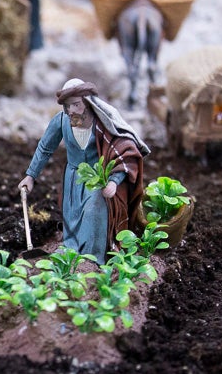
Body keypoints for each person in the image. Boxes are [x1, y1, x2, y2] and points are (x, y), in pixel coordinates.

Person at [18, 79, 150, 263]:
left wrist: (114, 181)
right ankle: (71, 251)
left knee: (93, 212)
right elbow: (45, 148)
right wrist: (31, 175)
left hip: (97, 179)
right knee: (72, 217)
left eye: (76, 104)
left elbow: (123, 152)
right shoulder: (62, 121)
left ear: (87, 103)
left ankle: (93, 257)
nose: (71, 110)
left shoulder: (102, 124)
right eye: (67, 105)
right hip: (72, 179)